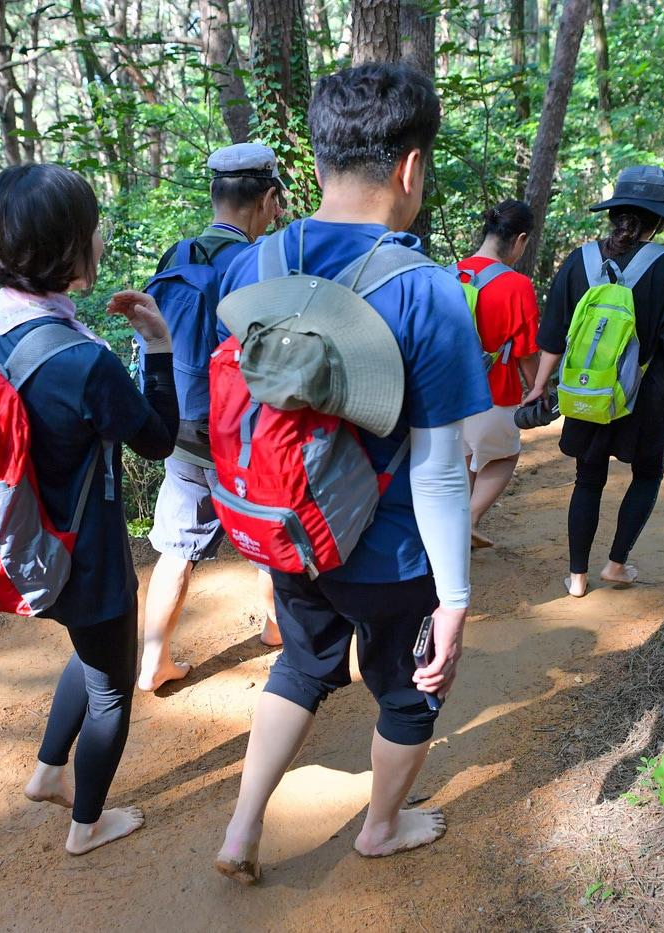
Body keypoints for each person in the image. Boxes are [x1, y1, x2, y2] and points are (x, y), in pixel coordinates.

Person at [213, 63, 492, 883]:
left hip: (286, 527)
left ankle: (240, 828)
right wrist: (456, 598)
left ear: (320, 154)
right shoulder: (427, 290)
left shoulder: (253, 265)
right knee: (411, 692)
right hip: (388, 552)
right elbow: (440, 468)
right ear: (410, 167)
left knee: (300, 664)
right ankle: (379, 826)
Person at [0, 164, 178, 855]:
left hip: (10, 543)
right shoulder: (83, 361)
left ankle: (48, 773)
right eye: (91, 227)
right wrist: (156, 345)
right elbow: (157, 440)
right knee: (111, 688)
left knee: (93, 652)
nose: (100, 236)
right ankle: (87, 825)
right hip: (84, 553)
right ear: (70, 250)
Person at [139, 144, 288, 693]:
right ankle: (279, 629)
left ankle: (153, 659)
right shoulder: (258, 263)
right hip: (235, 434)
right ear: (269, 198)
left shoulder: (176, 255)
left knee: (176, 548)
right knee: (266, 532)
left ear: (213, 195)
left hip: (176, 427)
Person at [522, 165, 664, 599]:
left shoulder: (579, 261)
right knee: (647, 474)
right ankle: (616, 564)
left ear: (614, 213)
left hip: (588, 390)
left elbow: (553, 334)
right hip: (643, 396)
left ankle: (577, 578)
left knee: (587, 479)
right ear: (661, 219)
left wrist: (539, 386)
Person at [453, 200, 541, 548]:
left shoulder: (449, 273)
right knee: (505, 456)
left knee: (465, 463)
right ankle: (469, 520)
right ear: (520, 239)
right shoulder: (517, 286)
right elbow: (526, 353)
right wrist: (538, 389)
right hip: (494, 395)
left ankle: (456, 537)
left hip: (447, 396)